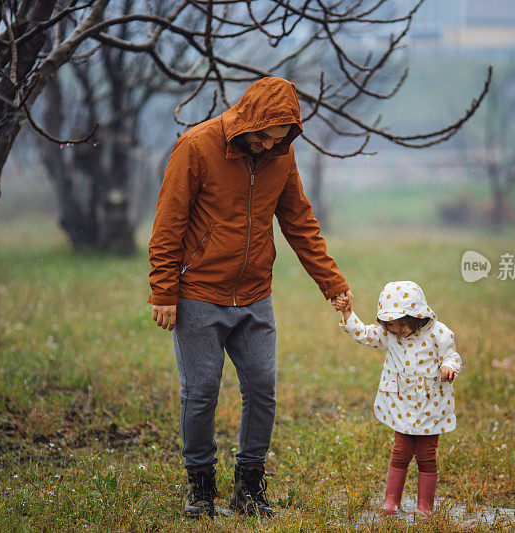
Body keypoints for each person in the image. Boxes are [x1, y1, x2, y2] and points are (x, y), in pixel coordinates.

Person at [148, 76, 353, 519]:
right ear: (247, 121)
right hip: (199, 294)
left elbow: (299, 221)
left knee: (262, 389)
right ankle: (201, 490)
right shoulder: (197, 147)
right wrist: (164, 290)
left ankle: (249, 489)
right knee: (200, 392)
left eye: (278, 139)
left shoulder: (281, 156)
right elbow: (169, 223)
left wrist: (332, 284)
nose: (266, 146)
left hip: (256, 296)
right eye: (262, 136)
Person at [333, 281, 462, 515]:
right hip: (401, 404)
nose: (396, 330)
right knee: (400, 451)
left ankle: (425, 506)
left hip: (431, 405)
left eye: (401, 324)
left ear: (416, 316)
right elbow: (363, 333)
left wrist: (448, 366)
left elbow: (451, 354)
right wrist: (347, 311)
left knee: (426, 455)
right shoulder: (389, 334)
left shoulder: (438, 333)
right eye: (390, 324)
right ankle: (391, 502)